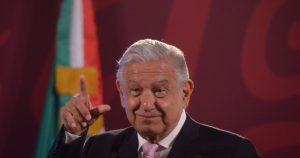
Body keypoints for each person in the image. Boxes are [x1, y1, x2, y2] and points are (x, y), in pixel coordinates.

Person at [48, 39, 260, 158]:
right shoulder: (99, 149)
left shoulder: (232, 152)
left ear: (185, 92)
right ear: (121, 93)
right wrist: (73, 135)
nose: (147, 104)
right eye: (135, 91)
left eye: (159, 90)